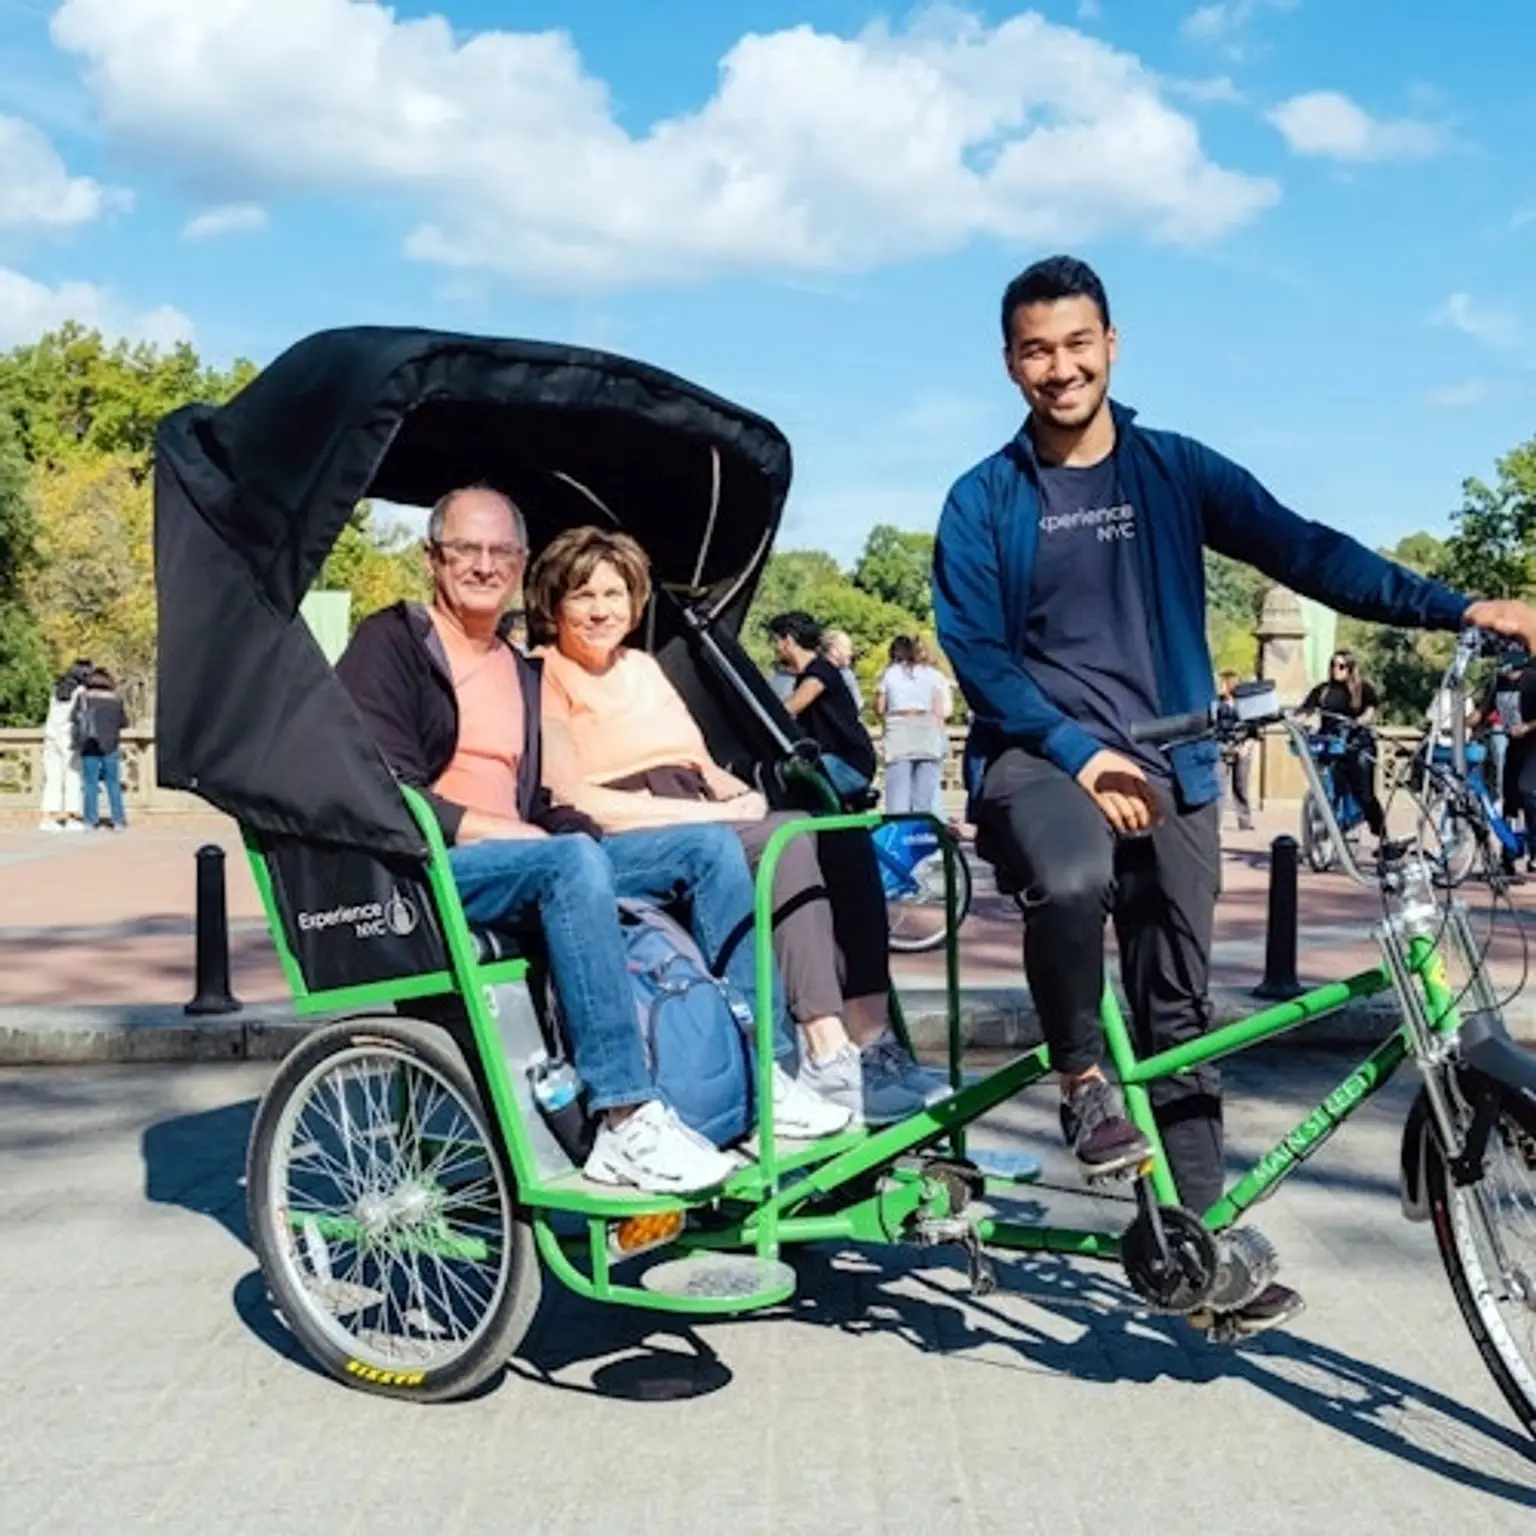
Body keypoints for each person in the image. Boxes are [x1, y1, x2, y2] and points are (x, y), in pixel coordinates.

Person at [932, 254, 1536, 1338]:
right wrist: (1077, 752)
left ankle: (1197, 1242)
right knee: (1069, 881)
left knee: (1181, 1009)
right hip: (1041, 755)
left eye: (1078, 344)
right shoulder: (985, 500)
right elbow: (976, 651)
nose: (1059, 368)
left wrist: (1457, 609)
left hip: (1174, 762)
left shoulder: (1173, 471)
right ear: (1010, 362)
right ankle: (1079, 1078)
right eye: (1036, 349)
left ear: (1113, 346)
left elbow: (1305, 549)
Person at [337, 485, 849, 1194]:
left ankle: (762, 1076)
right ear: (432, 559)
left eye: (500, 551)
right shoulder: (394, 642)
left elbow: (552, 796)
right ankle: (625, 1119)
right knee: (571, 860)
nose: (483, 565)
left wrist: (576, 837)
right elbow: (385, 787)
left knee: (709, 849)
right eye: (465, 550)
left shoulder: (516, 668)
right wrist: (527, 836)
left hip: (531, 854)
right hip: (435, 865)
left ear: (519, 563)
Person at [527, 526, 939, 1123]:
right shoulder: (545, 674)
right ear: (554, 605)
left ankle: (871, 1043)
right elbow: (572, 793)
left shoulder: (642, 667)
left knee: (834, 831)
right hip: (632, 825)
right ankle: (822, 1048)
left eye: (614, 594)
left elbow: (698, 762)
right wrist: (716, 813)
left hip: (698, 804)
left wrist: (739, 795)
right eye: (582, 596)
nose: (600, 611)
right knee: (783, 841)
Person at [768, 612, 878, 800]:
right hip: (835, 760)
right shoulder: (811, 673)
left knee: (783, 786)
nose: (776, 648)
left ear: (789, 640)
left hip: (847, 763)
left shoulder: (821, 672)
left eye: (777, 640)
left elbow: (789, 709)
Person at [1299, 650, 1387, 841]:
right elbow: (1306, 711)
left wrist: (1359, 722)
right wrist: (1296, 721)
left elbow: (1370, 712)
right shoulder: (1322, 690)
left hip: (1357, 743)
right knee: (1326, 781)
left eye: (1341, 666)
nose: (1335, 670)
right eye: (1332, 665)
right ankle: (1326, 827)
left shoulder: (1362, 689)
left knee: (1364, 793)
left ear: (1350, 668)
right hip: (1330, 743)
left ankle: (1382, 836)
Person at [875, 636, 951, 816]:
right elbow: (938, 710)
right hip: (927, 727)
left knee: (897, 796)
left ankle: (899, 836)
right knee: (923, 799)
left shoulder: (890, 673)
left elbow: (880, 707)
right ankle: (921, 835)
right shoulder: (932, 674)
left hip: (899, 728)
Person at [37, 660, 91, 833]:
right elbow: (83, 715)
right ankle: (71, 817)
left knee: (52, 778)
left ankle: (47, 817)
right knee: (72, 777)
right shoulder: (80, 692)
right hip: (69, 739)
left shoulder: (56, 689)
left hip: (51, 736)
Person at [78, 667, 129, 831]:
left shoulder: (84, 698)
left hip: (89, 744)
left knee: (90, 784)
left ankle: (90, 820)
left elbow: (75, 718)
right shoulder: (116, 700)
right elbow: (124, 722)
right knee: (113, 783)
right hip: (111, 745)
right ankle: (118, 820)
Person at [1215, 670, 1254, 832]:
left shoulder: (1245, 704)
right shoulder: (1216, 704)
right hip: (1221, 749)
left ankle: (1244, 821)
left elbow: (1254, 728)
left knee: (1241, 786)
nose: (1219, 686)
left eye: (1223, 683)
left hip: (1242, 748)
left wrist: (1246, 746)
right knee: (1219, 788)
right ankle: (1216, 822)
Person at [821, 629, 863, 712]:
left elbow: (858, 704)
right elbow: (857, 704)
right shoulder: (818, 675)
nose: (850, 653)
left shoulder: (847, 673)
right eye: (847, 648)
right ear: (834, 651)